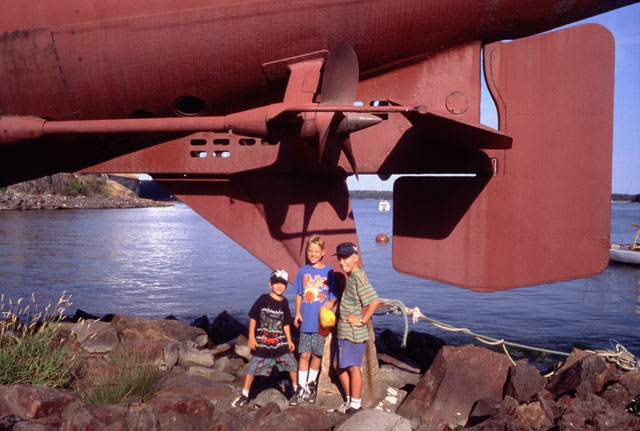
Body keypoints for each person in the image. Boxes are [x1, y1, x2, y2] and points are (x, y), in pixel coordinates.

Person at [232, 269, 298, 407]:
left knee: (291, 364)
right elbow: (253, 318)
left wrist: (289, 340)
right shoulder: (263, 299)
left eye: (283, 283)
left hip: (279, 342)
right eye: (276, 283)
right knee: (253, 368)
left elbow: (286, 323)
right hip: (263, 342)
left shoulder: (285, 302)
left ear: (286, 286)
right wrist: (251, 337)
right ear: (270, 284)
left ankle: (295, 390)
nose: (279, 286)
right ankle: (245, 393)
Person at [289, 234, 338, 405]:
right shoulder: (303, 271)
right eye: (310, 251)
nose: (313, 254)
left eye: (317, 251)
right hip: (306, 321)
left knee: (316, 354)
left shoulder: (329, 271)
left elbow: (333, 296)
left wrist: (329, 305)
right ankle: (300, 389)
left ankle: (311, 386)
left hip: (321, 322)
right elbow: (299, 294)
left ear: (323, 252)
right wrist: (297, 313)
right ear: (307, 252)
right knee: (303, 354)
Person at [331, 242, 380, 414]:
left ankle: (356, 404)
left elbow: (373, 300)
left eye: (345, 258)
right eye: (339, 258)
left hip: (353, 332)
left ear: (355, 257)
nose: (342, 262)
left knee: (352, 367)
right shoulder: (352, 276)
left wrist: (362, 319)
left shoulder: (358, 277)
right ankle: (350, 400)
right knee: (338, 364)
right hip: (344, 331)